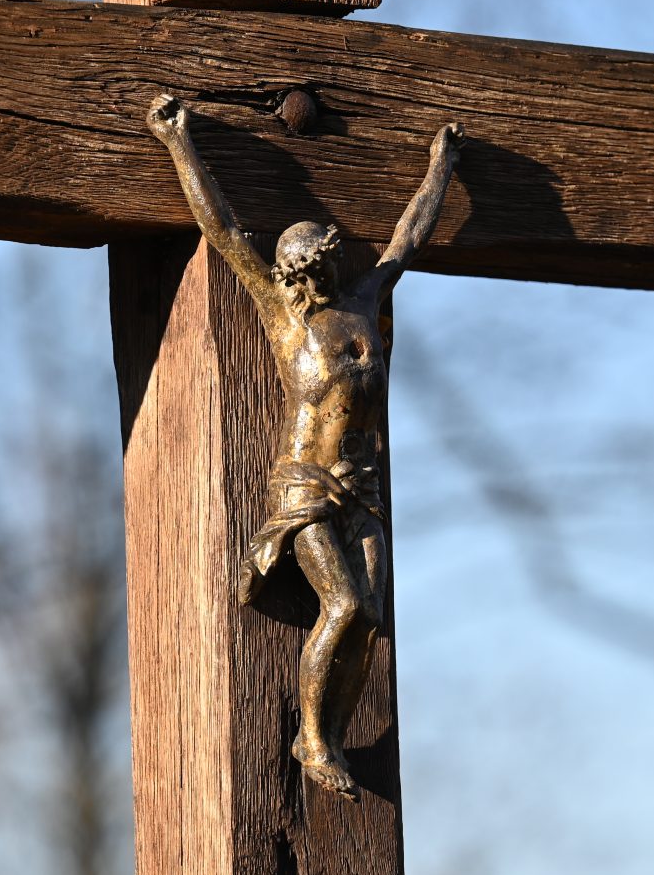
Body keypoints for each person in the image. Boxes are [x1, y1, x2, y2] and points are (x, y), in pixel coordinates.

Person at [146, 93, 464, 798]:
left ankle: (332, 736)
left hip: (362, 485)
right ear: (289, 276)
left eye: (322, 267)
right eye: (303, 274)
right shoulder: (284, 316)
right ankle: (313, 740)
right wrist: (178, 142)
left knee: (371, 619)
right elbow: (223, 230)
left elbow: (408, 239)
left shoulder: (365, 299)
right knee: (343, 606)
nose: (313, 283)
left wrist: (442, 165)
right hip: (307, 484)